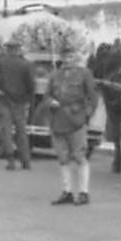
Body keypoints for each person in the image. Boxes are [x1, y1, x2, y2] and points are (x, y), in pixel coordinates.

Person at [45, 46, 100, 206]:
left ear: (75, 57)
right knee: (63, 158)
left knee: (79, 156)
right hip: (58, 120)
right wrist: (50, 102)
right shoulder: (54, 75)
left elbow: (93, 96)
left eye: (71, 56)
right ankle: (67, 191)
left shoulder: (84, 74)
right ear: (62, 57)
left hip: (76, 120)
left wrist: (87, 114)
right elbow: (47, 95)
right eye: (65, 56)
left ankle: (84, 192)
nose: (68, 59)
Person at [0, 41, 36, 170]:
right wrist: (29, 99)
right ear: (19, 49)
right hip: (20, 102)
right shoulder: (26, 64)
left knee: (6, 131)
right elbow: (31, 85)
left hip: (5, 100)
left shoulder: (2, 62)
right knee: (21, 131)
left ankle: (10, 159)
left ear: (8, 49)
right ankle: (25, 160)